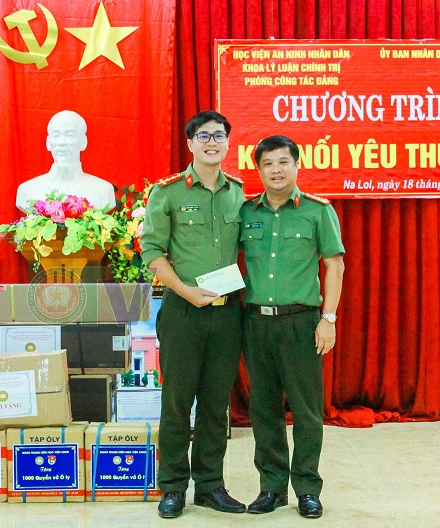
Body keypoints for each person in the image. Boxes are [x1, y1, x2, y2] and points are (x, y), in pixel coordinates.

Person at [140, 110, 246, 519]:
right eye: (203, 136)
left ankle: (210, 485)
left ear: (228, 143)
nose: (211, 142)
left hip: (227, 315)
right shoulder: (167, 193)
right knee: (177, 403)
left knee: (216, 405)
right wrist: (185, 290)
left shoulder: (239, 194)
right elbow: (152, 251)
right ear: (190, 143)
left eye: (219, 136)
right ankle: (171, 487)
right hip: (182, 312)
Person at [240, 135, 345, 519]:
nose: (276, 170)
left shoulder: (317, 211)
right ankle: (271, 488)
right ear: (259, 169)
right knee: (264, 409)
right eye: (267, 163)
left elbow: (334, 265)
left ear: (296, 165)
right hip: (255, 322)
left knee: (306, 411)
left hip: (301, 323)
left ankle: (307, 488)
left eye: (283, 162)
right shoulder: (247, 211)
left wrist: (328, 319)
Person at [15, 110, 116, 212]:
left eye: (69, 135)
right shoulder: (27, 190)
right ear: (48, 143)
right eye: (56, 135)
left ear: (83, 142)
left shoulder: (103, 191)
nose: (62, 143)